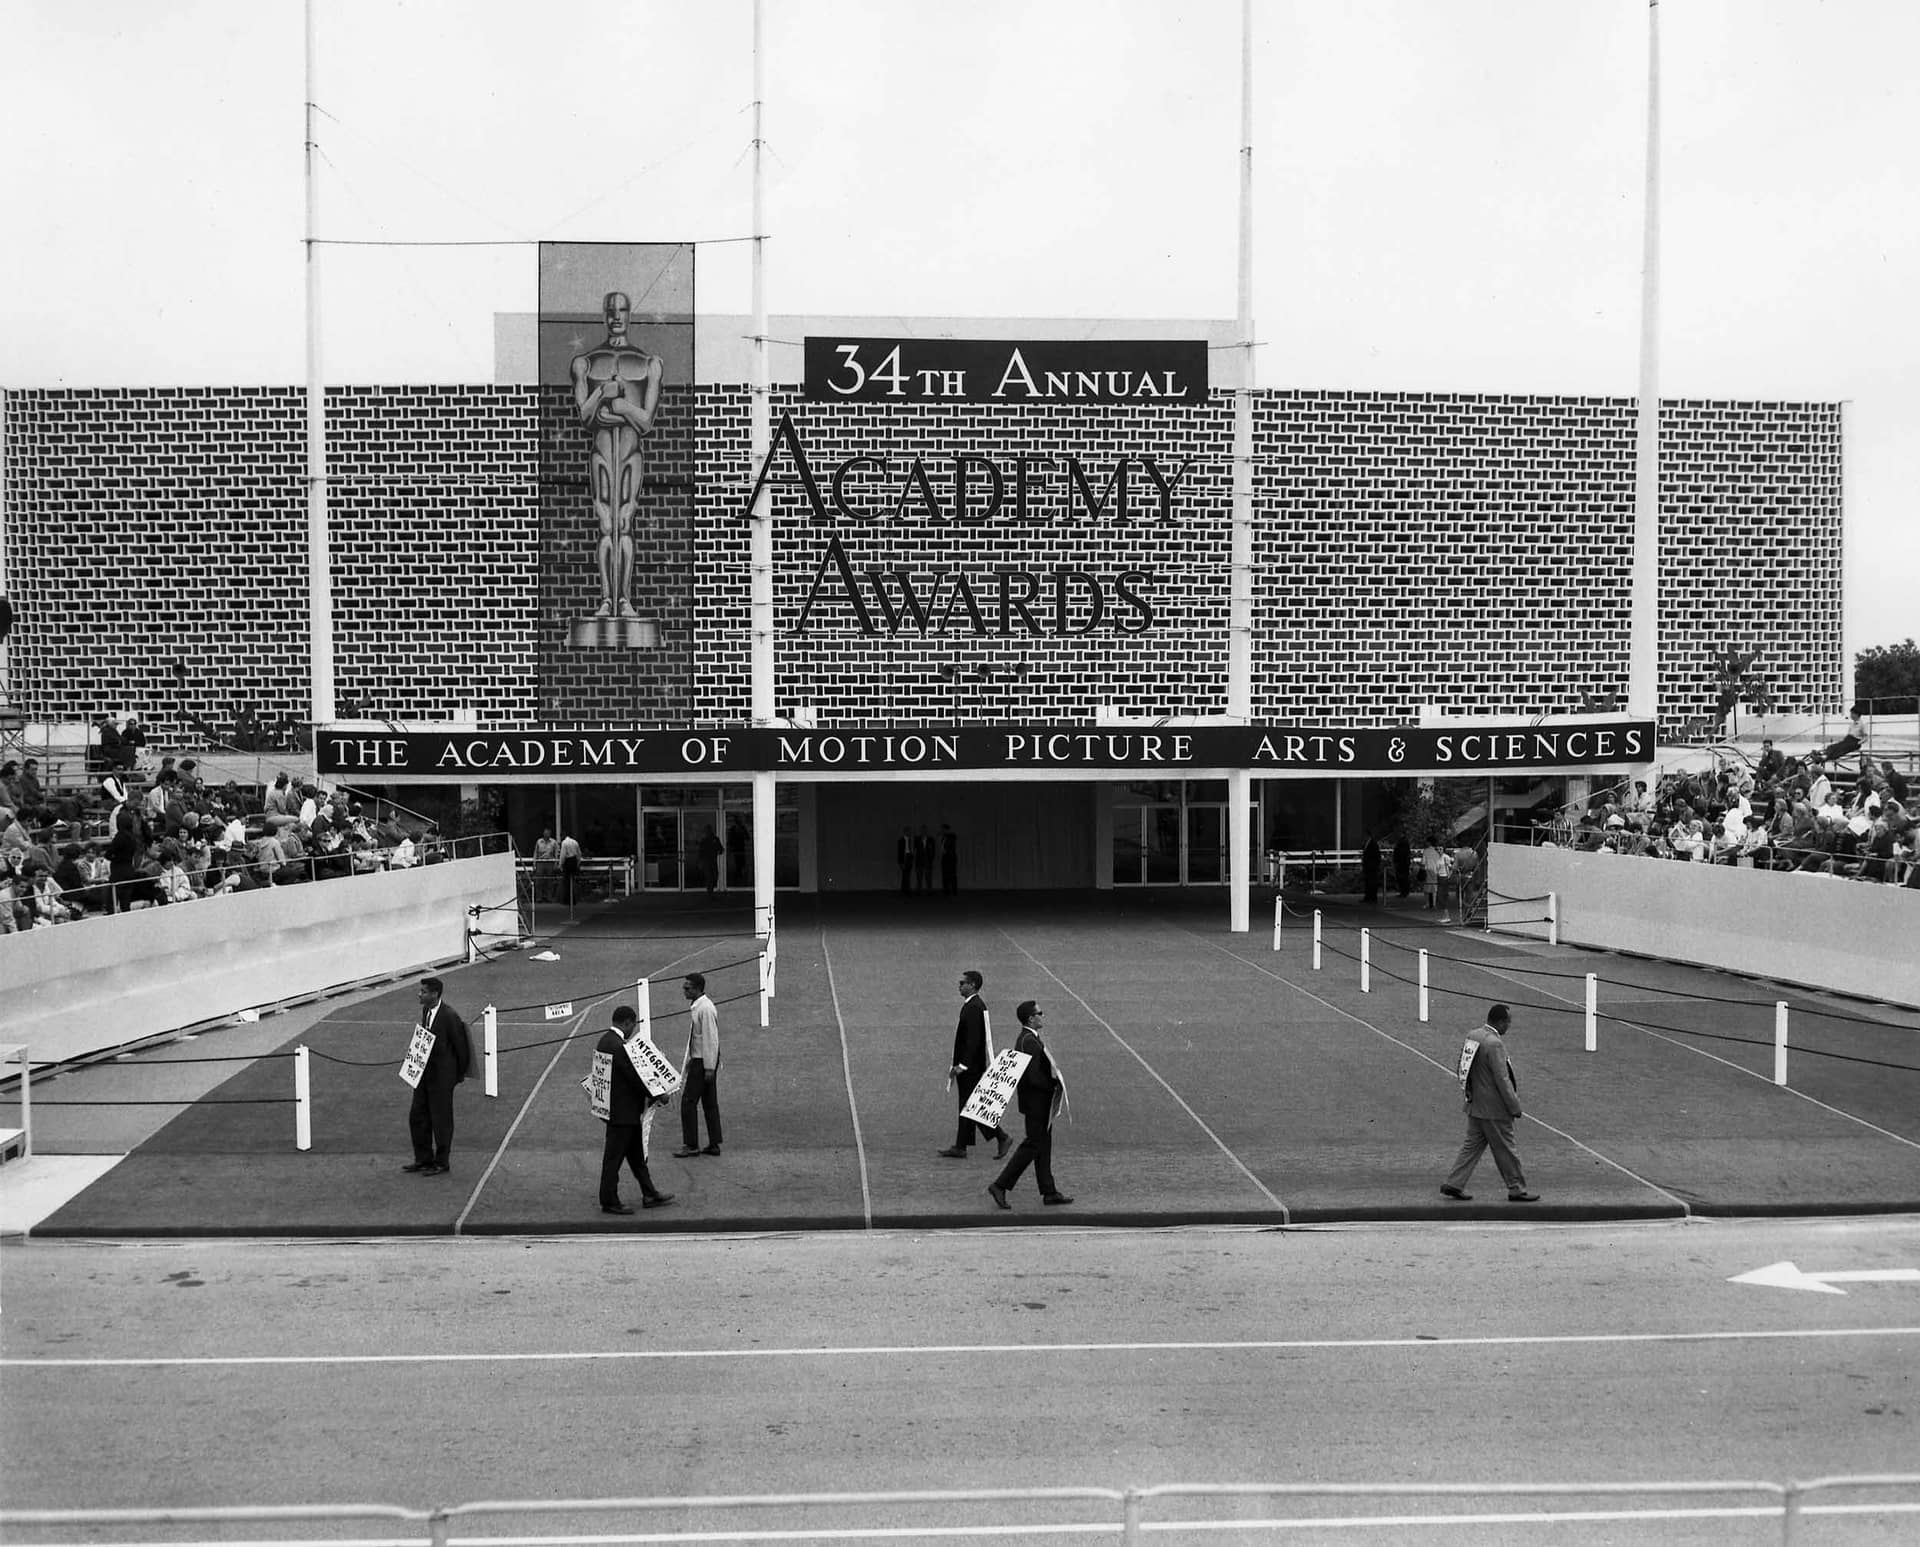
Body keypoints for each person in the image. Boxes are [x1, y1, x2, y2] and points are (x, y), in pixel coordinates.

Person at [570, 290, 663, 621]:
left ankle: (625, 599)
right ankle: (607, 599)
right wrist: (601, 394)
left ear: (629, 313)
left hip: (630, 455)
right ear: (604, 314)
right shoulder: (587, 363)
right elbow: (585, 416)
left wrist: (620, 407)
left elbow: (646, 421)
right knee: (605, 523)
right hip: (601, 454)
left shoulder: (648, 363)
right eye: (611, 310)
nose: (616, 316)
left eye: (622, 309)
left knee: (625, 521)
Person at [1439, 1004, 1538, 1203]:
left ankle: (1455, 1182)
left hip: (1476, 1105)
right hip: (1494, 1110)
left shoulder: (1473, 1035)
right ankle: (1516, 1188)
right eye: (1508, 1022)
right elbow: (1502, 1078)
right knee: (1507, 1150)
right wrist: (1514, 1106)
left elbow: (1463, 1068)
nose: (1509, 1026)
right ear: (1500, 1021)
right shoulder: (1494, 1044)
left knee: (1471, 1147)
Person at [987, 1001, 1072, 1210]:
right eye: (1039, 1013)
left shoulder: (1028, 1039)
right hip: (1037, 1104)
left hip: (1036, 1103)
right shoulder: (1029, 1042)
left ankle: (1049, 1191)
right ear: (1031, 1018)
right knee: (1033, 1145)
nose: (1042, 1016)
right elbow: (1033, 1076)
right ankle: (1000, 1185)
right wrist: (1053, 1085)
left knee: (1042, 1146)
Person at [594, 1006, 675, 1215]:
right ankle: (609, 1201)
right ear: (628, 1022)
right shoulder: (619, 1047)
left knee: (637, 1158)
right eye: (633, 1024)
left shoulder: (605, 1041)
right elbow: (636, 1078)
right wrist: (659, 1095)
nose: (633, 1029)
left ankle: (649, 1193)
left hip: (617, 1112)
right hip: (623, 1114)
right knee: (613, 1160)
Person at [403, 977, 473, 1176]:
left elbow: (462, 1047)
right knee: (417, 1116)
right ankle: (423, 1159)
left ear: (434, 994)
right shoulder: (426, 1010)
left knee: (441, 1120)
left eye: (423, 992)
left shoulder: (449, 1016)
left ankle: (442, 1162)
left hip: (442, 1078)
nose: (419, 994)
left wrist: (457, 1076)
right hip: (424, 1074)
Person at [939, 969, 1011, 1160]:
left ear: (972, 985)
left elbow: (972, 1040)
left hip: (970, 1067)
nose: (959, 986)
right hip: (974, 1065)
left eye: (963, 983)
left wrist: (962, 1065)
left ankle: (1001, 1136)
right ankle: (961, 1145)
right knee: (967, 1106)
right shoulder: (975, 1005)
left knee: (972, 1106)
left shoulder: (972, 1007)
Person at [673, 972, 722, 1157]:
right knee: (709, 1103)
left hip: (703, 1062)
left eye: (688, 988)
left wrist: (709, 1067)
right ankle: (714, 1143)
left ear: (698, 988)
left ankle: (691, 1144)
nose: (684, 990)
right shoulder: (699, 1006)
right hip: (702, 1060)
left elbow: (711, 1039)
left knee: (688, 1102)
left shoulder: (705, 1009)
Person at [532, 828, 559, 902]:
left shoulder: (554, 842)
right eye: (545, 833)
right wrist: (534, 864)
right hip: (540, 862)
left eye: (548, 833)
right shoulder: (539, 841)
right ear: (543, 834)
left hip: (550, 862)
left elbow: (556, 853)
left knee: (549, 881)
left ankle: (549, 897)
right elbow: (535, 853)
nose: (546, 834)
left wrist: (556, 863)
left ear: (550, 834)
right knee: (538, 881)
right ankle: (539, 898)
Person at [697, 823, 724, 895]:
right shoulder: (705, 840)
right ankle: (710, 893)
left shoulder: (714, 839)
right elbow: (700, 852)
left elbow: (721, 849)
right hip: (707, 861)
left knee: (714, 876)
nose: (708, 832)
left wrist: (719, 851)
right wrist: (700, 861)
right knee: (710, 877)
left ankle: (710, 891)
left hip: (712, 860)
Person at [559, 830, 583, 904]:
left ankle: (567, 900)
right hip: (574, 861)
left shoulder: (564, 843)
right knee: (573, 881)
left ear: (562, 836)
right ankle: (574, 899)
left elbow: (563, 855)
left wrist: (560, 865)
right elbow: (579, 854)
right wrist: (578, 863)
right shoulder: (575, 842)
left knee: (566, 882)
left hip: (568, 861)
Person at [1361, 834, 1382, 906]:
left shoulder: (1373, 844)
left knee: (1372, 882)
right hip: (1367, 866)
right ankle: (1368, 896)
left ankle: (1372, 897)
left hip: (1372, 867)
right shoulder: (1366, 844)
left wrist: (1375, 865)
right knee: (1368, 882)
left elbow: (1377, 856)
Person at [914, 824, 935, 892]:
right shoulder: (916, 839)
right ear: (920, 831)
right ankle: (918, 891)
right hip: (919, 861)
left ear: (927, 831)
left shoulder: (931, 839)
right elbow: (914, 850)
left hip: (928, 861)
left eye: (925, 830)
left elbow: (933, 851)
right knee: (919, 878)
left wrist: (931, 859)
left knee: (928, 878)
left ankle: (929, 891)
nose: (923, 831)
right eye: (922, 830)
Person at [939, 823, 958, 896]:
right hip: (945, 857)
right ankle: (946, 891)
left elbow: (951, 844)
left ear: (946, 829)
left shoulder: (952, 836)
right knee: (945, 875)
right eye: (941, 829)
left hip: (951, 858)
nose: (941, 830)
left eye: (942, 829)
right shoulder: (943, 837)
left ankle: (954, 891)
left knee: (952, 875)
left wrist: (944, 835)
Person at [896, 826, 915, 896]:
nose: (909, 833)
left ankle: (904, 890)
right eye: (908, 831)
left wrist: (912, 857)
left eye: (910, 831)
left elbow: (911, 850)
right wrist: (900, 862)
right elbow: (899, 852)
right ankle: (907, 891)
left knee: (906, 875)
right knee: (905, 875)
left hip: (909, 857)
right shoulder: (901, 840)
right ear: (905, 832)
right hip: (904, 858)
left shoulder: (910, 840)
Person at [1392, 833, 1412, 898]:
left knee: (1402, 878)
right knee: (1403, 878)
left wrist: (1396, 861)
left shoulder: (1402, 842)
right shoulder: (1403, 842)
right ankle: (1404, 892)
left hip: (1402, 863)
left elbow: (1401, 853)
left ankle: (1404, 892)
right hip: (1403, 863)